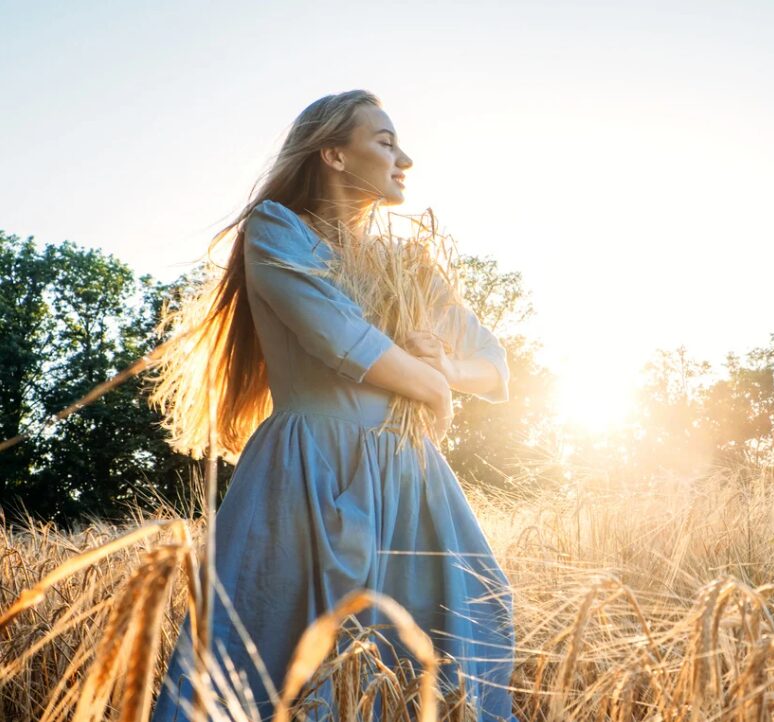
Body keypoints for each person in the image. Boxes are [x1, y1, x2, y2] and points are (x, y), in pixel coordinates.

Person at [147, 90, 517, 721]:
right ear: (333, 155)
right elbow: (337, 333)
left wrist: (444, 366)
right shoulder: (276, 229)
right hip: (311, 469)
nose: (406, 158)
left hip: (410, 476)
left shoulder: (408, 263)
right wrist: (429, 388)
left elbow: (494, 365)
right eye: (385, 141)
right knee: (281, 650)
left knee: (473, 620)